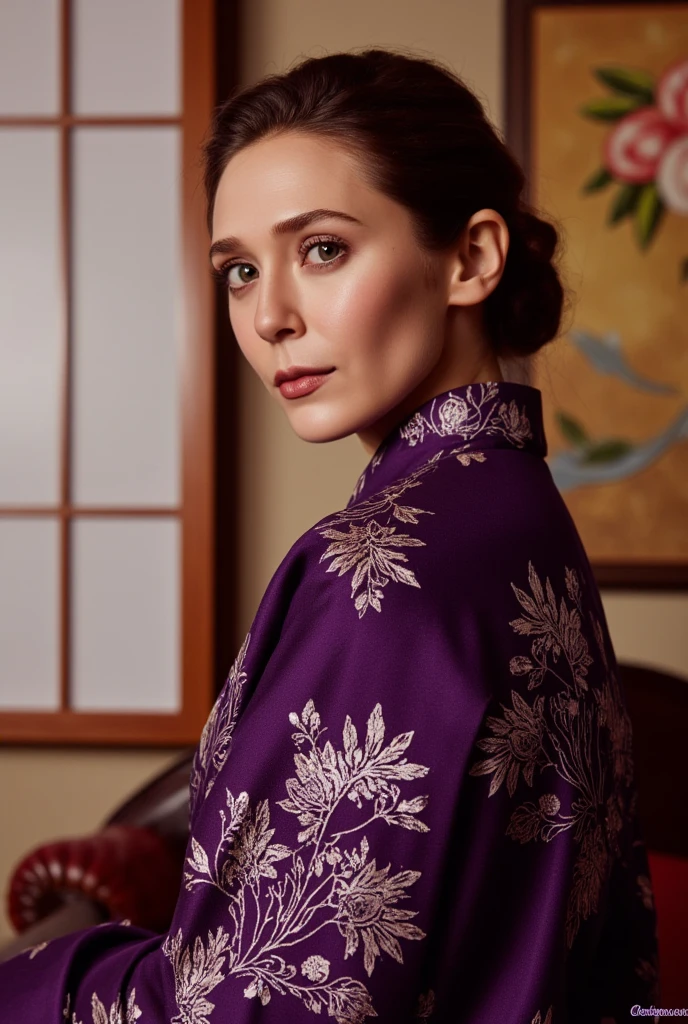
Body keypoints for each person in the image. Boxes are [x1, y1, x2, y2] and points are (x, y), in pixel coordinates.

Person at [1, 47, 659, 1024]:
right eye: (236, 270)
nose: (268, 316)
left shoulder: (385, 573)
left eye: (321, 249)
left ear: (470, 257)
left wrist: (28, 978)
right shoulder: (517, 519)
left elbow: (252, 1006)